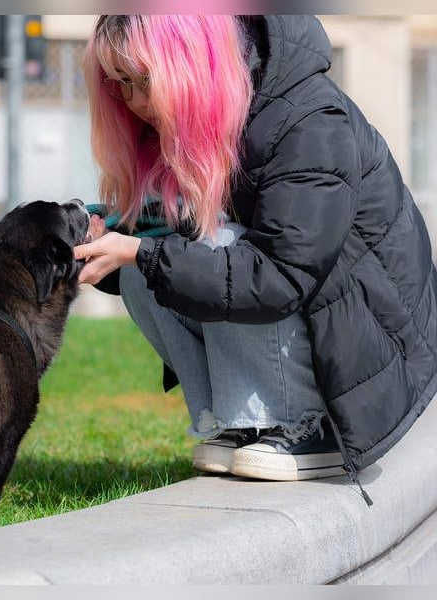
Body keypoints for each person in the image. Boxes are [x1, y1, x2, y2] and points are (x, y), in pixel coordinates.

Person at [73, 15, 437, 495]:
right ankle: (237, 422)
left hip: (370, 348)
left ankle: (307, 422)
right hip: (307, 306)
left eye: (145, 80)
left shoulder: (308, 120)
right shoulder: (214, 115)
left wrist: (143, 251)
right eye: (121, 84)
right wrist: (110, 240)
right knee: (143, 271)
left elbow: (280, 275)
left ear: (196, 62)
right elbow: (173, 241)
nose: (136, 102)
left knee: (204, 250)